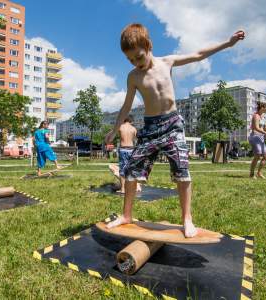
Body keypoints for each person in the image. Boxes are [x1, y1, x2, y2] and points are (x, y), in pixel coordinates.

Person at [105, 23, 245, 237]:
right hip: (150, 128)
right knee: (131, 170)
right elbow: (126, 106)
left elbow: (198, 55)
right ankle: (126, 215)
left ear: (148, 46)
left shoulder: (167, 62)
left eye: (139, 57)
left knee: (182, 170)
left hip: (172, 125)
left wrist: (229, 42)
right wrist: (114, 130)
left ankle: (187, 218)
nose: (136, 63)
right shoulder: (133, 77)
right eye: (130, 60)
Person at [117, 115, 141, 193]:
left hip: (123, 149)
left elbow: (114, 133)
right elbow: (138, 139)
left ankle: (123, 189)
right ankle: (136, 187)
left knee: (122, 169)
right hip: (131, 149)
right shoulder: (133, 128)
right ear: (131, 121)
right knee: (132, 169)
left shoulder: (120, 127)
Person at [249, 101, 266, 179]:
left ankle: (259, 173)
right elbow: (256, 128)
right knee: (257, 156)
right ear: (262, 108)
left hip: (261, 138)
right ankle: (251, 174)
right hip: (254, 137)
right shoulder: (256, 116)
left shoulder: (263, 117)